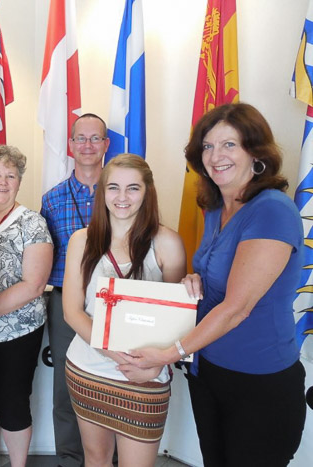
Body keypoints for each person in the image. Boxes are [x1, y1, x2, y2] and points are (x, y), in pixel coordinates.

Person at [120, 103, 307, 466]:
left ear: (256, 152)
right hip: (208, 371)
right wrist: (197, 279)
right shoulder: (216, 208)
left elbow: (237, 308)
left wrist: (167, 355)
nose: (215, 155)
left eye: (229, 145)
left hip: (259, 380)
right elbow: (222, 278)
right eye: (208, 146)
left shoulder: (272, 210)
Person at [62, 154, 186, 467]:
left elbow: (175, 319)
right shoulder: (81, 240)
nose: (122, 197)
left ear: (147, 192)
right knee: (96, 460)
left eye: (133, 188)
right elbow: (72, 312)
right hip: (89, 369)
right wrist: (120, 357)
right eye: (113, 187)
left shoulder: (167, 242)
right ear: (102, 191)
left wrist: (151, 365)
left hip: (146, 377)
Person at [0, 145, 53, 467]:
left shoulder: (33, 223)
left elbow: (33, 285)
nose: (3, 182)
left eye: (11, 175)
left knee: (13, 401)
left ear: (19, 182)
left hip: (17, 330)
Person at [40, 113, 110, 466]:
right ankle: (70, 458)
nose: (87, 145)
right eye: (80, 138)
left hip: (113, 302)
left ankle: (112, 457)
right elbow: (44, 254)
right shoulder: (52, 199)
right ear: (70, 145)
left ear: (106, 144)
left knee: (114, 380)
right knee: (65, 385)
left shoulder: (122, 194)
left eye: (95, 138)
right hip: (64, 303)